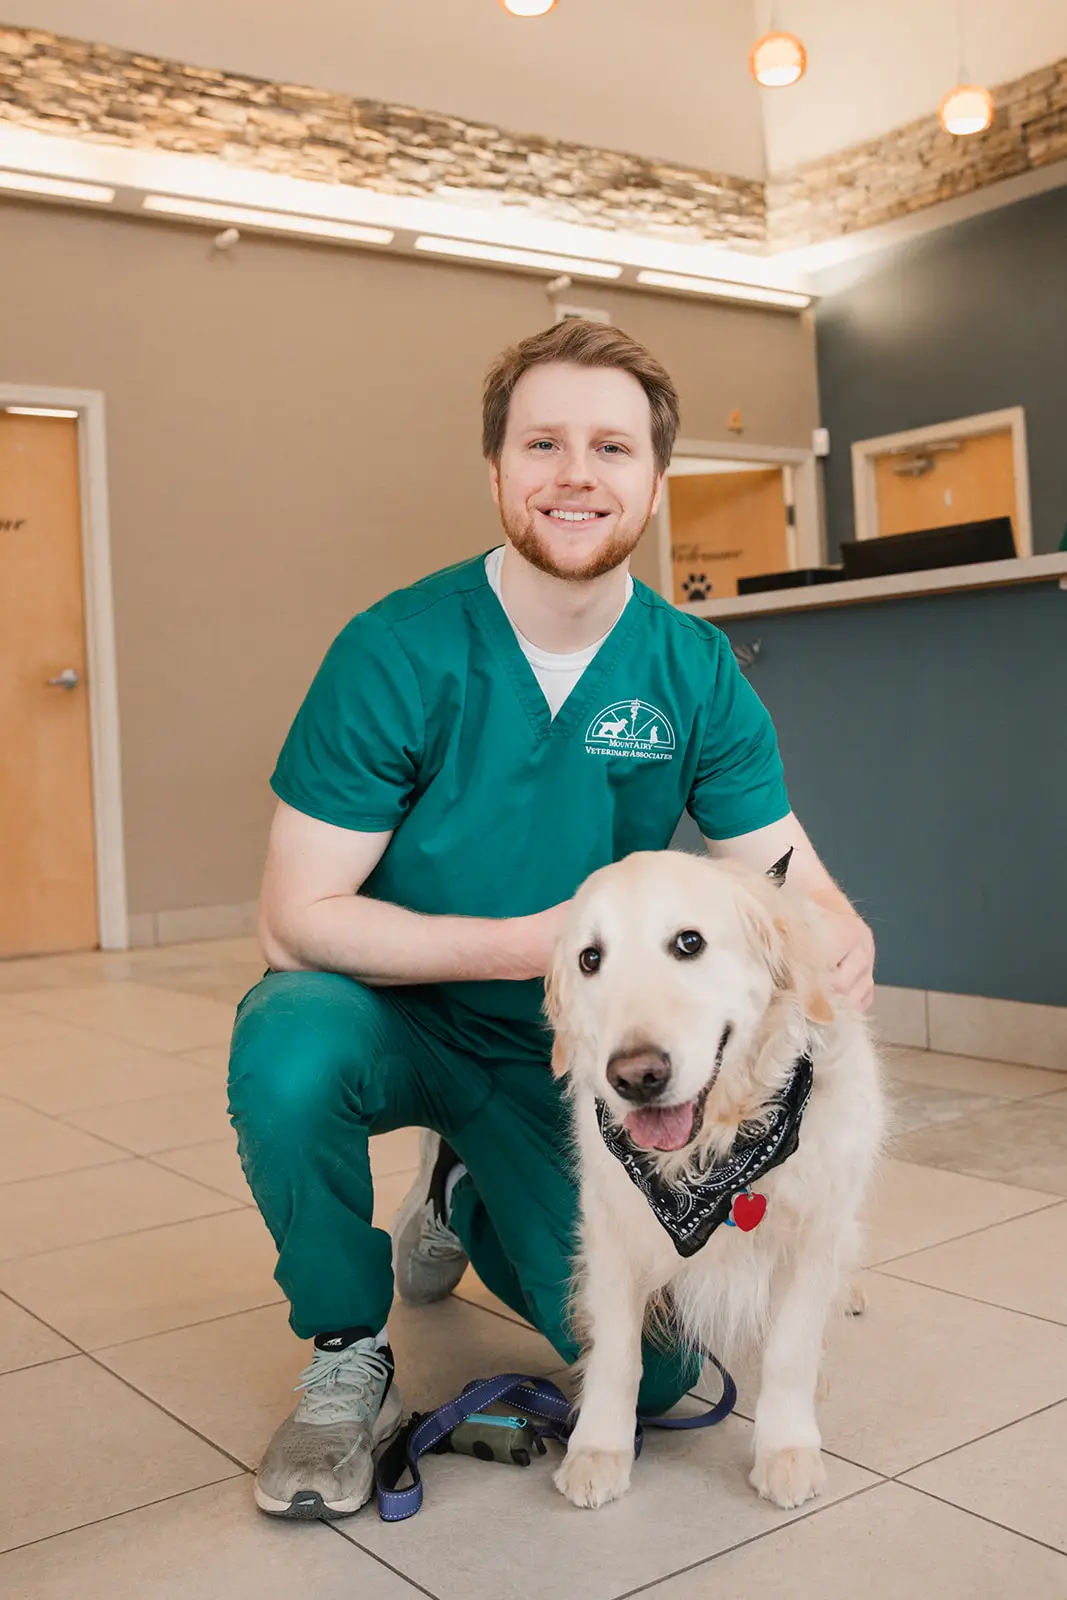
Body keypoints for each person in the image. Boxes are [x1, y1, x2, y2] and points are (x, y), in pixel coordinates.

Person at [229, 318, 876, 1521]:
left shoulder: (689, 668)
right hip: (397, 1014)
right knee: (287, 1038)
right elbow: (293, 916)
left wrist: (840, 926)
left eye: (611, 447)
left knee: (672, 1376)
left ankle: (458, 1195)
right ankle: (341, 1354)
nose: (577, 473)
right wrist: (528, 947)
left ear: (652, 478)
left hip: (575, 1063)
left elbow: (784, 870)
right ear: (496, 471)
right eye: (544, 443)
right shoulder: (395, 651)